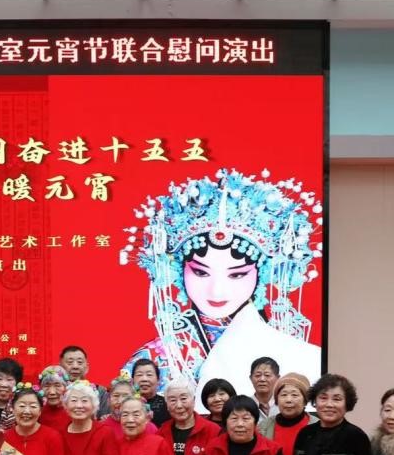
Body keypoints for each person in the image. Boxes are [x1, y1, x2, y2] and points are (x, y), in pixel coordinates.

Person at [119, 168, 322, 406]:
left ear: (262, 274)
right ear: (178, 271)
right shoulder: (152, 359)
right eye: (200, 272)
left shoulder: (291, 347)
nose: (216, 291)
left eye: (237, 274)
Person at [58, 345, 111, 418]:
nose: (75, 366)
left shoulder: (100, 391)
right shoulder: (55, 392)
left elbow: (105, 419)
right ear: (60, 367)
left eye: (80, 362)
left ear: (87, 367)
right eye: (70, 362)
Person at [131, 359, 169, 426]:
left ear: (159, 380)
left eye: (149, 375)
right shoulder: (125, 405)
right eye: (139, 375)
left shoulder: (169, 405)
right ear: (132, 381)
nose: (144, 379)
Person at [37, 365, 72, 432]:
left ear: (66, 387)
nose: (52, 392)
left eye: (57, 385)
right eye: (47, 385)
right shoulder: (37, 412)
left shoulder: (74, 412)